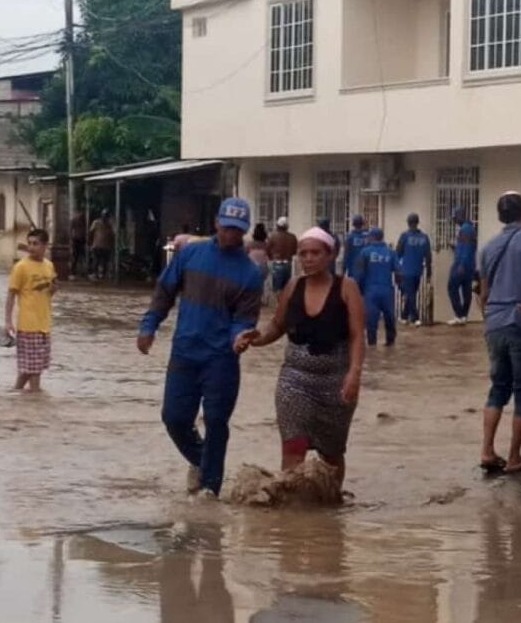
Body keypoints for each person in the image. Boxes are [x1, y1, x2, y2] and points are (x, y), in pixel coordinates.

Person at [137, 198, 263, 499]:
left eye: (238, 230)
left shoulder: (250, 274)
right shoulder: (190, 254)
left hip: (221, 358)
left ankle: (210, 490)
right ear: (217, 224)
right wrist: (148, 326)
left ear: (244, 231)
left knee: (217, 421)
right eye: (227, 227)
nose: (231, 235)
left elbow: (244, 319)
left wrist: (239, 338)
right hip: (185, 351)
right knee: (174, 418)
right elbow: (164, 292)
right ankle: (202, 460)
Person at [237, 227, 366, 489]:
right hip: (294, 380)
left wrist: (354, 373)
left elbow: (356, 335)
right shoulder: (293, 285)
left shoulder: (347, 288)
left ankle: (329, 510)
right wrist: (255, 339)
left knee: (331, 455)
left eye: (315, 253)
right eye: (303, 254)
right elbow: (277, 326)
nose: (308, 259)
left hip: (335, 382)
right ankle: (292, 516)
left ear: (330, 256)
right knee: (293, 449)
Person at [478, 192, 521, 474]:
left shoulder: (487, 247)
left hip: (494, 323)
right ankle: (515, 456)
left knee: (498, 388)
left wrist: (490, 317)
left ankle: (486, 451)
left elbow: (483, 294)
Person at [4, 229, 58, 393]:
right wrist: (8, 321)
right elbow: (11, 295)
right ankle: (35, 400)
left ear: (44, 246)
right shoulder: (21, 267)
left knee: (34, 368)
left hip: (45, 324)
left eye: (36, 243)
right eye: (30, 243)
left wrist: (53, 288)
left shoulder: (49, 265)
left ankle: (15, 394)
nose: (32, 247)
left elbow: (51, 289)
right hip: (28, 325)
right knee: (33, 370)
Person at [356, 227, 400, 346]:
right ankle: (390, 345)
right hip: (387, 291)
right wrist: (400, 286)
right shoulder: (391, 252)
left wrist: (358, 290)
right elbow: (398, 272)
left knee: (371, 322)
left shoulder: (364, 252)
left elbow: (359, 273)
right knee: (390, 319)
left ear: (372, 237)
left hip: (370, 292)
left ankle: (372, 347)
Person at [395, 213, 432, 326]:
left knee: (410, 294)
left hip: (406, 270)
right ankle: (404, 316)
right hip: (418, 271)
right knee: (411, 294)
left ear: (408, 222)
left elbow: (398, 253)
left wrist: (397, 270)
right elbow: (428, 256)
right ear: (417, 222)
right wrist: (429, 271)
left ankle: (415, 318)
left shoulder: (405, 236)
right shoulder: (424, 237)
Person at [448, 206, 477, 325]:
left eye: (455, 218)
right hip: (468, 264)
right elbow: (466, 246)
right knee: (466, 290)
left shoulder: (465, 229)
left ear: (461, 216)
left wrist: (462, 264)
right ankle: (463, 316)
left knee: (452, 287)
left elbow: (468, 248)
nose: (455, 221)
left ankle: (460, 315)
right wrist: (454, 247)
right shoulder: (469, 228)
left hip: (462, 264)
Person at [267, 216, 299, 296]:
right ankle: (284, 304)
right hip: (288, 264)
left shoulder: (273, 236)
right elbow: (295, 251)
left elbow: (267, 249)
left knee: (277, 288)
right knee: (286, 287)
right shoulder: (292, 237)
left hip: (277, 263)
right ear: (287, 227)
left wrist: (271, 257)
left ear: (277, 225)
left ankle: (279, 305)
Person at [88, 210, 115, 280]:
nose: (105, 218)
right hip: (98, 245)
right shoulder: (97, 223)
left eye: (106, 216)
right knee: (98, 260)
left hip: (104, 246)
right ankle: (97, 274)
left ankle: (100, 274)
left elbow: (112, 236)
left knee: (102, 261)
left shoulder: (109, 224)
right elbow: (91, 233)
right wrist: (90, 243)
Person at [342, 215, 368, 281]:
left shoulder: (350, 237)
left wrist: (344, 268)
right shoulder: (368, 237)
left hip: (353, 268)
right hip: (366, 268)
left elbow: (346, 254)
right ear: (362, 224)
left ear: (353, 224)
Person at [70, 208, 86, 277]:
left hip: (80, 239)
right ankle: (74, 271)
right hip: (77, 239)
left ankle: (79, 271)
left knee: (80, 256)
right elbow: (71, 229)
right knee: (77, 256)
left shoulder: (83, 221)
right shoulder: (76, 220)